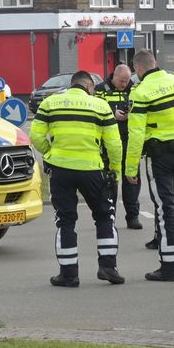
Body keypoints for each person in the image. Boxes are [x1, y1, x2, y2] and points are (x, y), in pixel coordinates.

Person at [30, 70, 125, 287]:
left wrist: (50, 153)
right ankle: (108, 267)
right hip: (92, 169)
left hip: (61, 170)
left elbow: (36, 136)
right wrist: (115, 171)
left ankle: (69, 274)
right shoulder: (100, 106)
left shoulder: (50, 103)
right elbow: (114, 144)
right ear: (90, 86)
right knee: (104, 216)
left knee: (65, 221)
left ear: (72, 85)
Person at [124, 50, 174, 282]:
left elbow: (136, 133)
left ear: (138, 69)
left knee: (165, 208)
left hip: (161, 157)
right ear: (155, 63)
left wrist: (130, 169)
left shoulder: (141, 92)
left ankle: (169, 267)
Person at [96, 63, 142, 230]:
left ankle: (133, 217)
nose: (124, 84)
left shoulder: (135, 89)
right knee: (110, 181)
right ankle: (109, 217)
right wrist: (112, 112)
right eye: (121, 80)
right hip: (109, 144)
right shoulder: (101, 89)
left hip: (130, 142)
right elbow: (95, 107)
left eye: (127, 80)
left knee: (132, 180)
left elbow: (141, 108)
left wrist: (131, 115)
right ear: (114, 76)